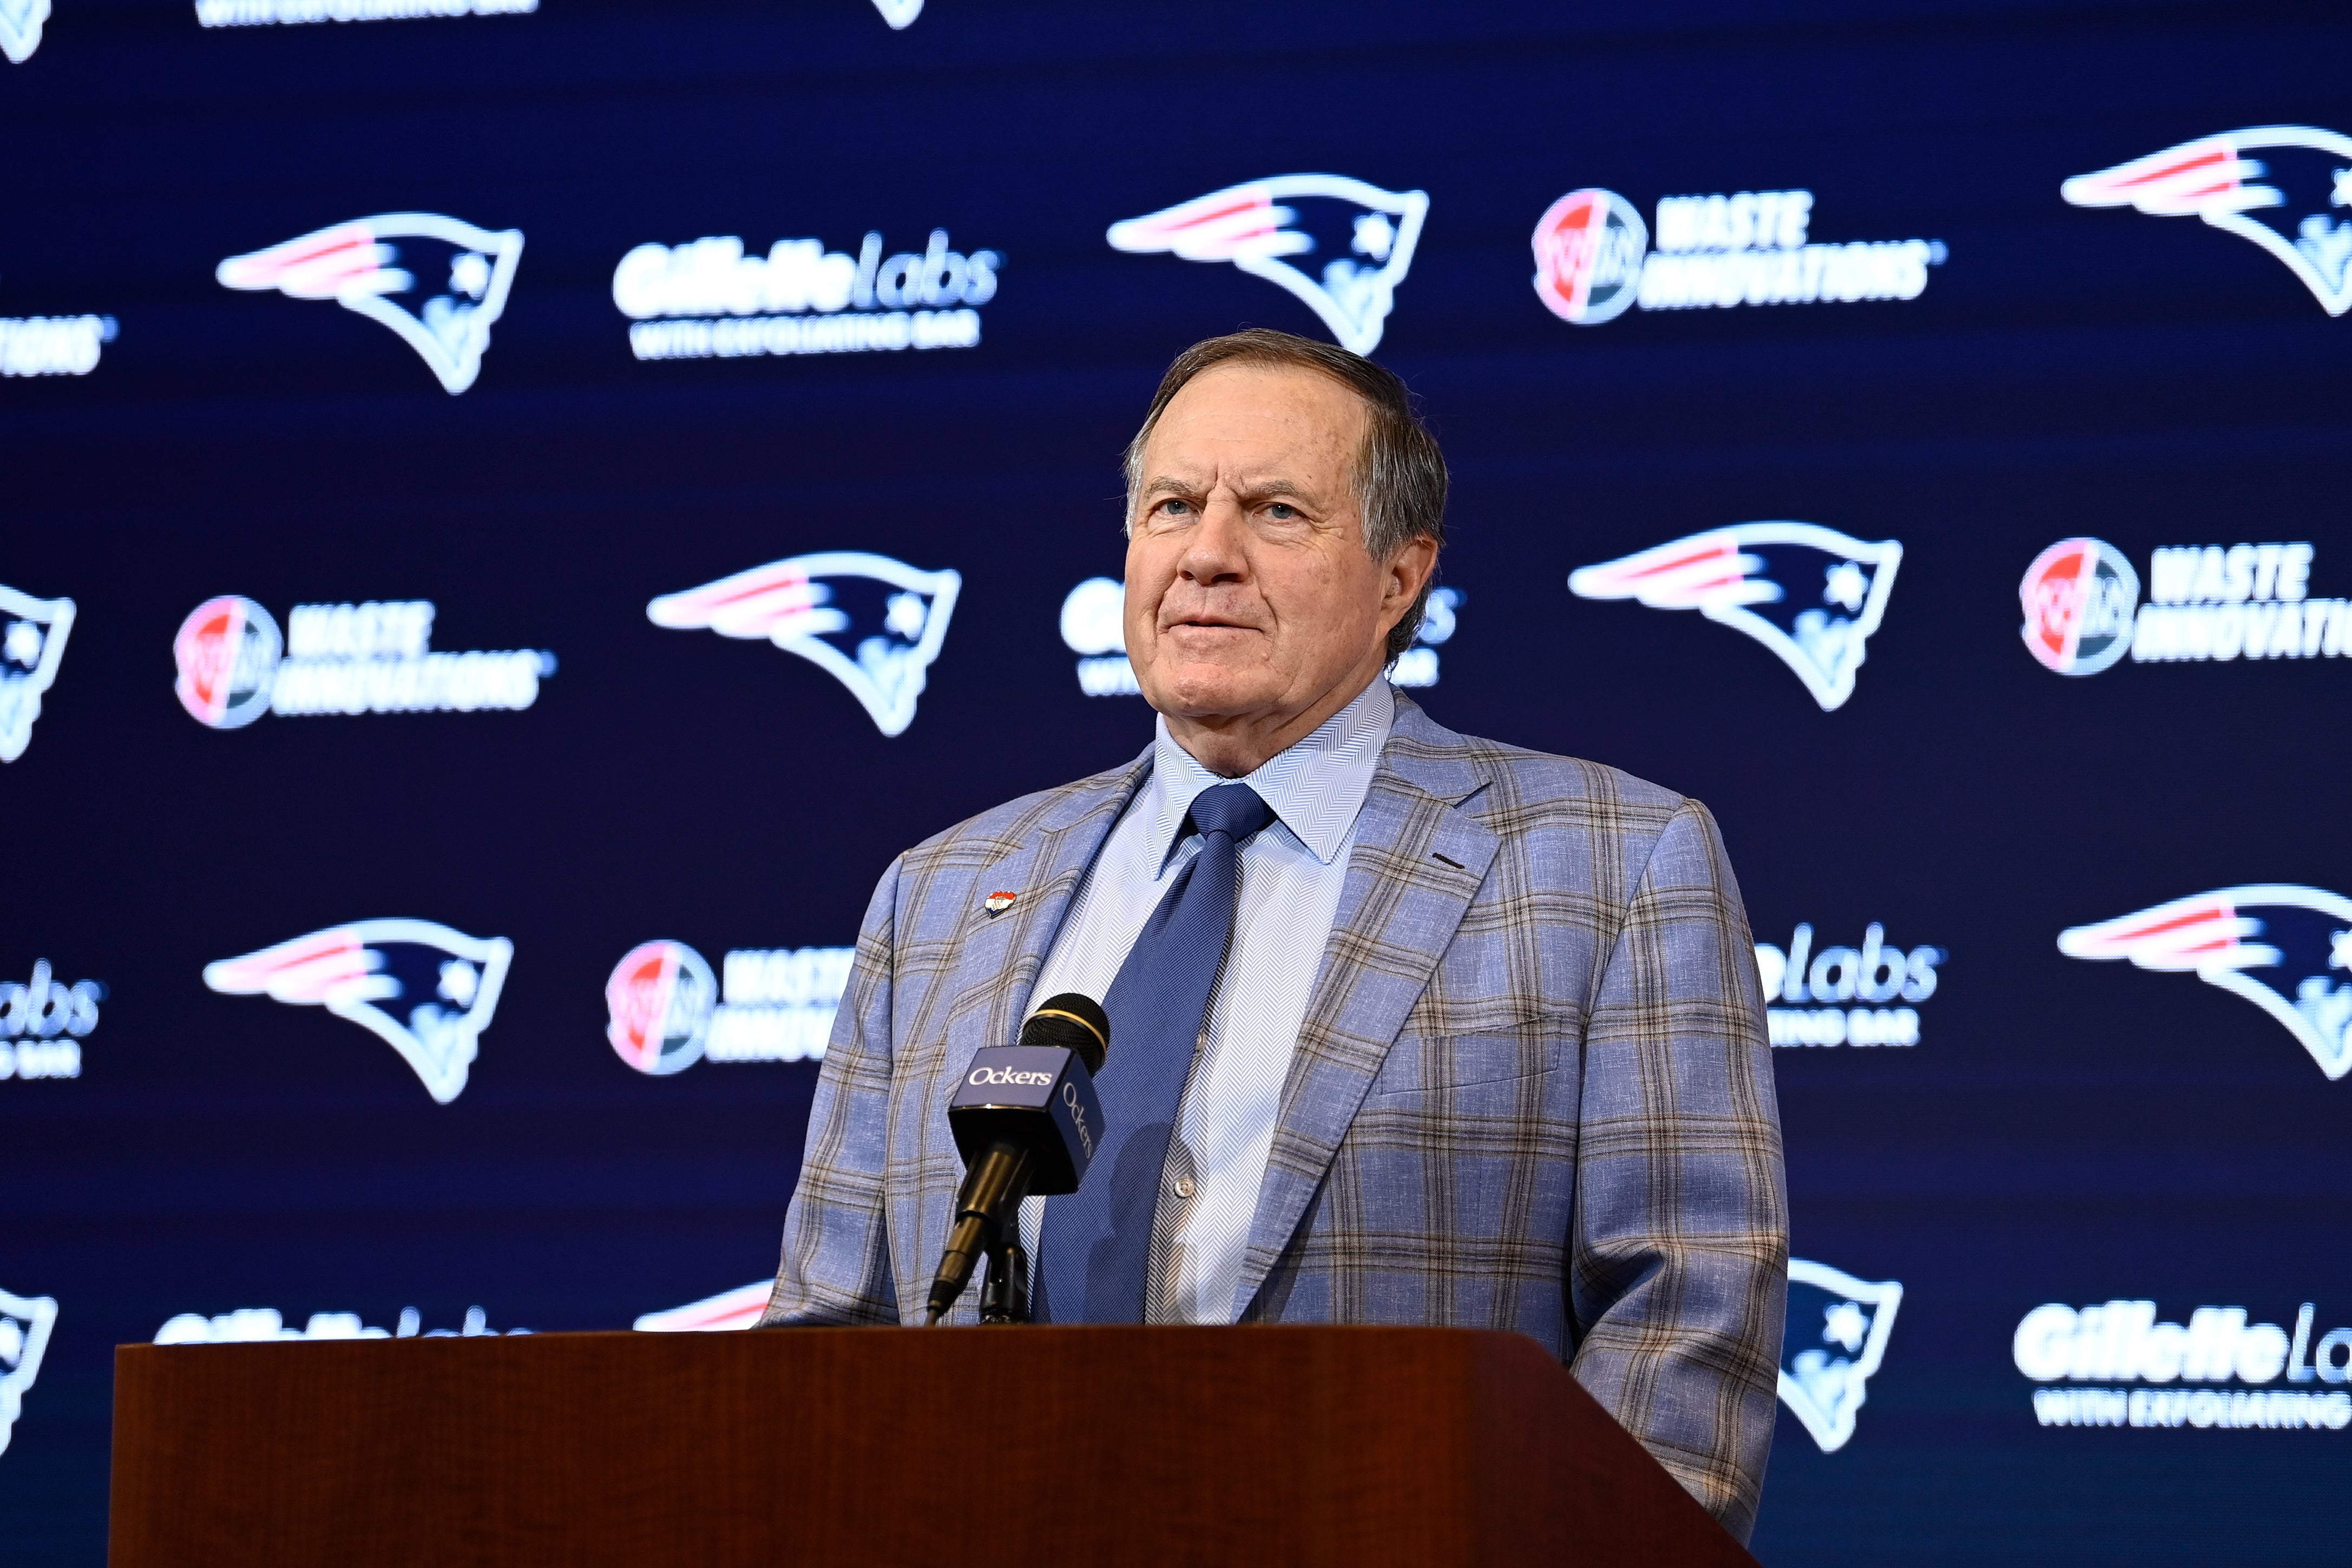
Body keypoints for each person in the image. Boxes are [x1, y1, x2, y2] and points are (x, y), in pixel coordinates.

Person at [764, 328, 1788, 1540]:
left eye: (1276, 511)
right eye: (1171, 505)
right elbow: (829, 1336)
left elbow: (1686, 1314)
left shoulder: (1609, 861)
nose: (1206, 555)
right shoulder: (941, 892)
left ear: (1400, 576)